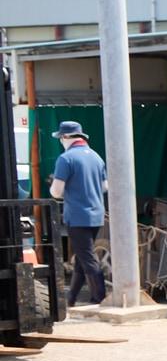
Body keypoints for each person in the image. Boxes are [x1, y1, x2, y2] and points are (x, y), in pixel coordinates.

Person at [48, 121, 107, 307]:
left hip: (77, 216)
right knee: (82, 260)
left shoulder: (66, 159)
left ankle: (101, 298)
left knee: (88, 259)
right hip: (96, 215)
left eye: (60, 138)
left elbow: (56, 192)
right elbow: (105, 187)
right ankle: (71, 299)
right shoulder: (97, 157)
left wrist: (56, 185)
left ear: (66, 137)